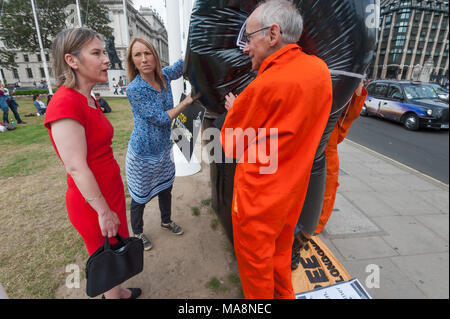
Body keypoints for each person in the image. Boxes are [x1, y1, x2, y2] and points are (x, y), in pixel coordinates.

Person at [220, 0, 332, 299]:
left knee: (256, 269)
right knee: (280, 259)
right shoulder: (320, 71)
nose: (246, 48)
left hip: (258, 200)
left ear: (272, 34)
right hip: (292, 193)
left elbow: (230, 145)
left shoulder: (263, 86)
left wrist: (236, 108)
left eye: (250, 37)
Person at [44, 27, 141, 299]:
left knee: (114, 253)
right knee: (107, 259)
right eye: (96, 53)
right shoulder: (64, 103)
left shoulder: (88, 99)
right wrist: (103, 211)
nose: (106, 59)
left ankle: (117, 291)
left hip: (108, 194)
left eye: (105, 52)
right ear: (72, 60)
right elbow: (75, 166)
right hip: (93, 204)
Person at [125, 37, 198, 251]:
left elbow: (180, 65)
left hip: (163, 149)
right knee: (140, 196)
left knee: (166, 186)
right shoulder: (134, 89)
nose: (144, 59)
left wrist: (193, 44)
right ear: (132, 61)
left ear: (155, 56)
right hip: (143, 154)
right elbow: (160, 118)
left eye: (147, 53)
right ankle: (138, 233)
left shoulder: (164, 75)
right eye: (137, 55)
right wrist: (187, 101)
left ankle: (166, 221)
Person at [291, 80, 368, 269]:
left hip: (323, 144)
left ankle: (311, 232)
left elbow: (348, 116)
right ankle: (308, 230)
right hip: (314, 141)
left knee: (324, 190)